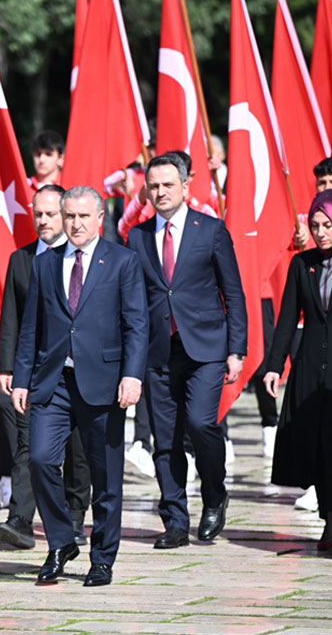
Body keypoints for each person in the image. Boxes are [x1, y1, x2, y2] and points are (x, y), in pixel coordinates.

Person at [12, 185, 148, 586]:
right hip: (53, 382)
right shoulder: (46, 263)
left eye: (83, 216)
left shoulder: (122, 262)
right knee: (39, 459)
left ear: (99, 218)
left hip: (104, 383)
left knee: (105, 478)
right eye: (68, 216)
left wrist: (132, 374)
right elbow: (31, 328)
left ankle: (102, 558)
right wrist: (22, 379)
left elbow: (136, 324)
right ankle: (60, 541)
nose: (74, 223)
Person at [127, 155, 246, 549]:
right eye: (154, 186)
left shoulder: (209, 230)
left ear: (185, 187)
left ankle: (215, 494)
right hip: (159, 352)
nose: (160, 192)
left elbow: (233, 291)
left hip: (206, 347)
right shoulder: (138, 237)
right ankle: (175, 520)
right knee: (166, 439)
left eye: (167, 185)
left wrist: (236, 349)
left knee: (199, 423)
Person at [262, 190, 332, 552]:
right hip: (308, 365)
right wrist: (275, 366)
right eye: (314, 225)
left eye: (327, 225)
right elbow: (288, 318)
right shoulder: (301, 264)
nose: (320, 232)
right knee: (317, 444)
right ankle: (330, 519)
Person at [0, 184, 92, 550]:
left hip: (77, 370)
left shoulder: (82, 259)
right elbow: (11, 319)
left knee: (78, 449)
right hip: (33, 372)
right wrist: (7, 368)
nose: (44, 221)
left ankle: (75, 512)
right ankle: (20, 518)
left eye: (51, 214)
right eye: (38, 214)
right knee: (27, 445)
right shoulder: (22, 260)